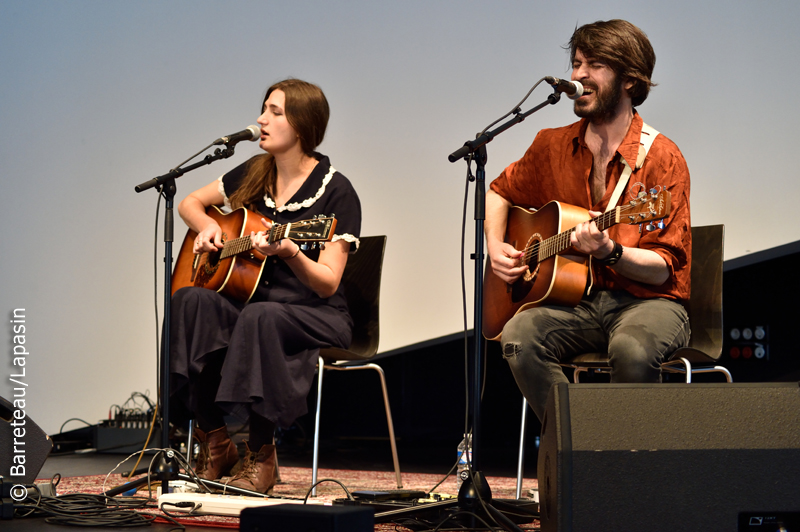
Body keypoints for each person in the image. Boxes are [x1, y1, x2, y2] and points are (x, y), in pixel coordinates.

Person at [485, 20, 691, 422]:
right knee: (518, 337)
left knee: (632, 350)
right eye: (577, 63)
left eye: (594, 65)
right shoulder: (552, 144)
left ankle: (624, 466)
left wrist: (610, 251)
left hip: (647, 301)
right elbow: (499, 192)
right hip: (575, 301)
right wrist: (496, 247)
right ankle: (577, 447)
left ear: (629, 80)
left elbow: (663, 271)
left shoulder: (662, 158)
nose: (577, 75)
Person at [169, 78, 361, 494]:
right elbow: (189, 202)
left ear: (303, 125)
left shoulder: (336, 191)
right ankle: (215, 440)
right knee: (190, 301)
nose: (261, 120)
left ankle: (261, 452)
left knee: (261, 316)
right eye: (264, 109)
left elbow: (328, 284)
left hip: (315, 313)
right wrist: (206, 228)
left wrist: (291, 251)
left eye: (275, 112)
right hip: (254, 303)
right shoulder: (254, 172)